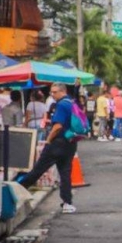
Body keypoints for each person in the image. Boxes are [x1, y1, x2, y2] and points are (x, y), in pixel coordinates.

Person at [17, 83, 79, 214]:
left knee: (38, 170)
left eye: (55, 92)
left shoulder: (61, 105)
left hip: (57, 143)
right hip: (70, 142)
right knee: (65, 173)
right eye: (51, 92)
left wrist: (48, 140)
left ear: (63, 91)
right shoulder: (72, 103)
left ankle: (18, 191)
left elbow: (57, 126)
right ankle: (67, 203)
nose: (52, 94)